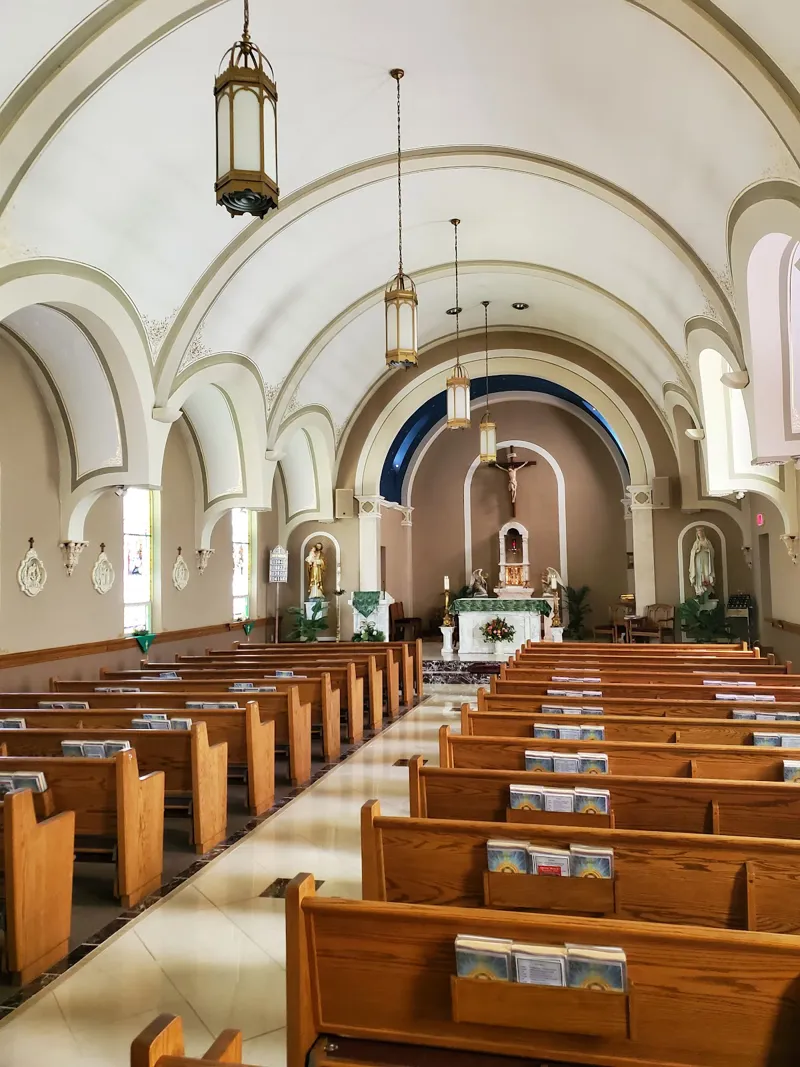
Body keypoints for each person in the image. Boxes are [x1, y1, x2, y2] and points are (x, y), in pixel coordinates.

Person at [688, 526, 715, 596]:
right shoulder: (696, 543)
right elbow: (692, 553)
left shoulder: (707, 542)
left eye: (701, 533)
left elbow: (712, 551)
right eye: (699, 533)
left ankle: (707, 588)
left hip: (706, 560)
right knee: (699, 573)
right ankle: (700, 590)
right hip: (698, 561)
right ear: (697, 534)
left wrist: (707, 550)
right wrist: (697, 550)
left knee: (706, 571)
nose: (700, 534)